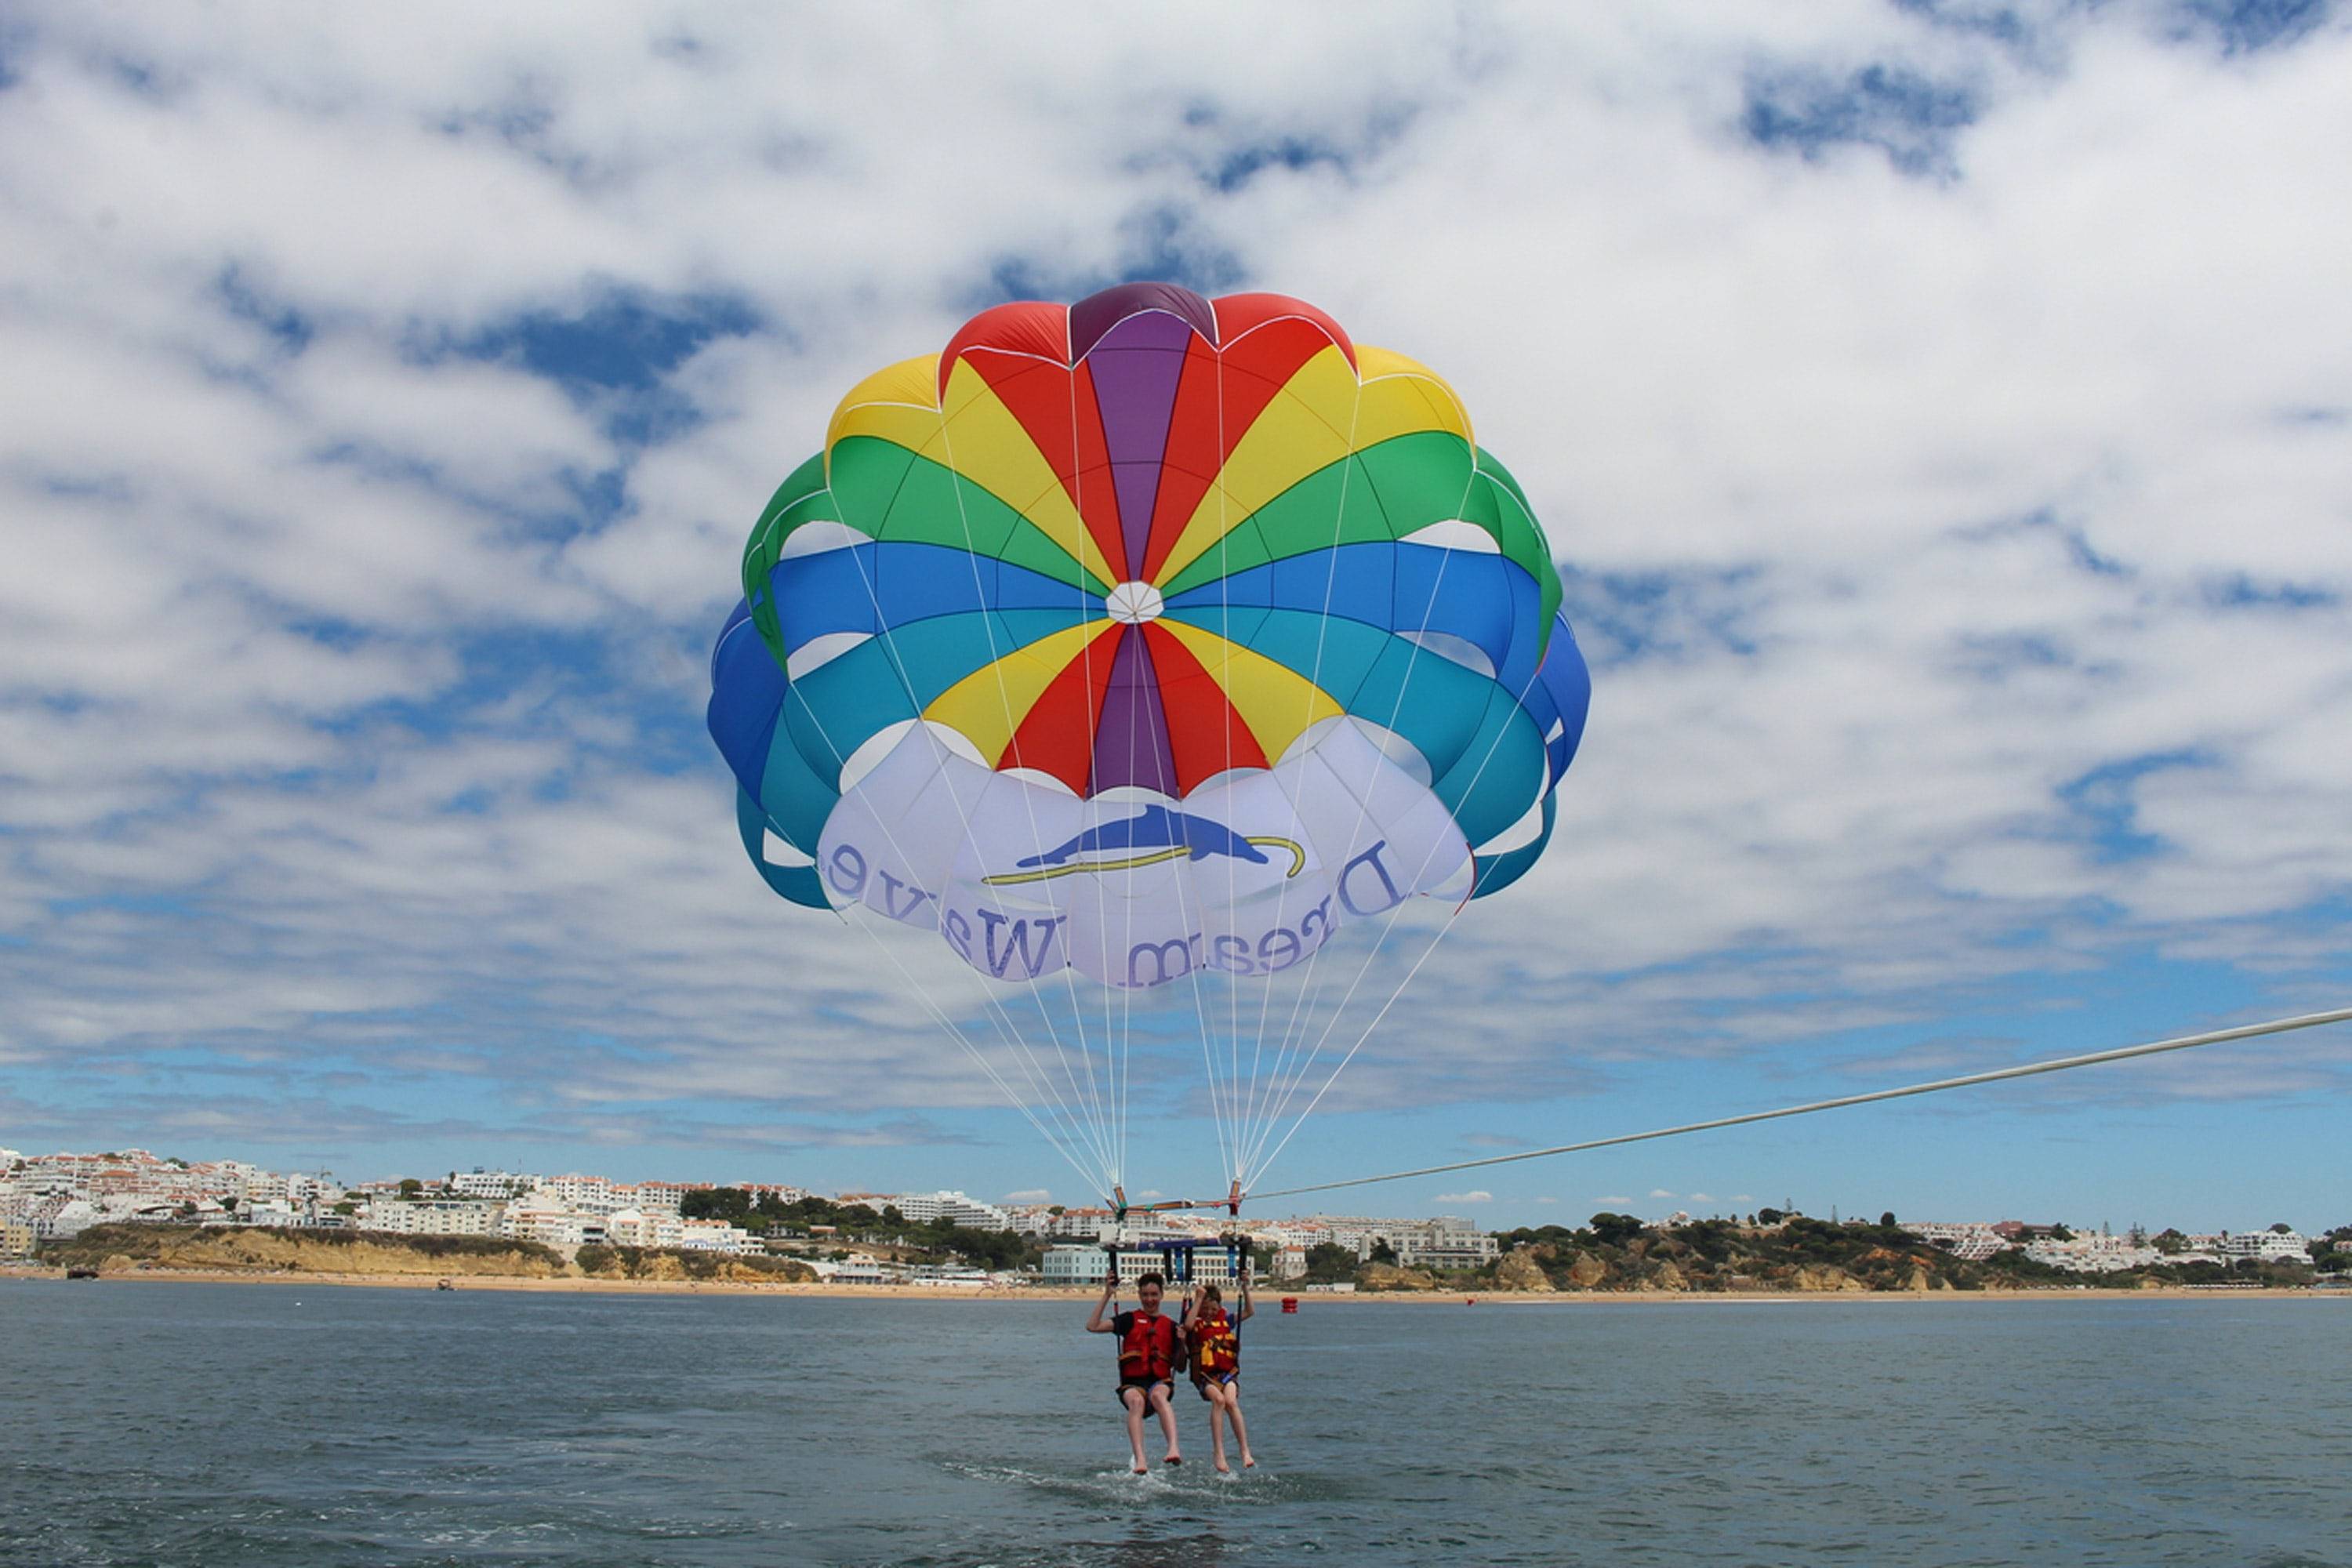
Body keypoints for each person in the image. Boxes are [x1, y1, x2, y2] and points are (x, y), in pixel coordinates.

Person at [1087, 1269, 1183, 1472]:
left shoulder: (1172, 1326)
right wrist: (1107, 1294)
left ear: (1161, 1295)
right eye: (1145, 1295)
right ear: (1139, 1295)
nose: (1150, 1300)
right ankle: (1140, 1459)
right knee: (1137, 1402)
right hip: (1132, 1384)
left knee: (1158, 1395)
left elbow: (1181, 1367)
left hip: (1160, 1383)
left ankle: (1173, 1447)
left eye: (1154, 1295)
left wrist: (1182, 1342)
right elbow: (1092, 1326)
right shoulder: (1129, 1320)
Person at [1181, 1279, 1255, 1472]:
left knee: (1231, 1401)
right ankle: (1219, 1453)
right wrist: (1197, 1299)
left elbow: (1249, 1312)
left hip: (1227, 1373)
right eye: (1205, 1309)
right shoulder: (1194, 1321)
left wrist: (1245, 1287)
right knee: (1219, 1401)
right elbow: (1188, 1326)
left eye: (1213, 1309)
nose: (1208, 1313)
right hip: (1205, 1376)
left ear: (1220, 1308)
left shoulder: (1226, 1321)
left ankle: (1245, 1451)